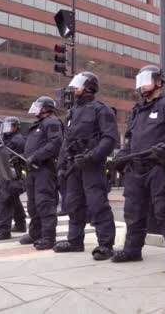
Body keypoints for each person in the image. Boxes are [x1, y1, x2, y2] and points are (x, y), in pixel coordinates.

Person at [111, 65, 165, 275]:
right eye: (139, 80)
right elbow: (131, 142)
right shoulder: (137, 111)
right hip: (136, 169)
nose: (142, 85)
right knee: (133, 211)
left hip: (161, 167)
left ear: (159, 82)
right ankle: (132, 249)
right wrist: (120, 157)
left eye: (147, 80)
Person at [55, 72, 118, 260]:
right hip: (73, 165)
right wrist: (61, 165)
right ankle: (75, 241)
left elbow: (109, 139)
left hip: (92, 165)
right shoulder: (72, 112)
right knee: (73, 204)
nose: (74, 88)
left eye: (79, 84)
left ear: (90, 86)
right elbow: (66, 142)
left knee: (97, 204)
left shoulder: (101, 109)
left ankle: (105, 244)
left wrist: (92, 157)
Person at [18, 97, 63, 250]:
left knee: (45, 203)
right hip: (33, 169)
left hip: (45, 169)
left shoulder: (52, 122)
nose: (36, 109)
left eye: (39, 106)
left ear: (46, 108)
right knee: (33, 204)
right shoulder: (37, 125)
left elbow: (55, 144)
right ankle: (35, 234)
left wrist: (36, 156)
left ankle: (48, 237)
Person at [0, 117, 27, 240]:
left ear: (16, 127)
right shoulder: (4, 139)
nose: (6, 129)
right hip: (5, 172)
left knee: (4, 201)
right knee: (13, 199)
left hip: (12, 173)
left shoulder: (18, 140)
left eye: (9, 126)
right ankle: (20, 224)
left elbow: (24, 154)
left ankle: (4, 231)